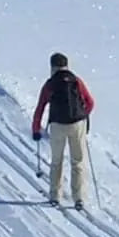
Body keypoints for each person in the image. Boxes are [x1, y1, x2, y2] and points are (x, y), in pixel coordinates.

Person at [32, 53, 97, 209]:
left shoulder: (50, 84)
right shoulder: (75, 80)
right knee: (78, 162)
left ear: (52, 67)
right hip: (77, 124)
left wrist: (36, 129)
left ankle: (55, 195)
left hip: (57, 125)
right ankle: (79, 198)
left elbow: (40, 108)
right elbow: (90, 102)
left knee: (56, 161)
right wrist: (82, 114)